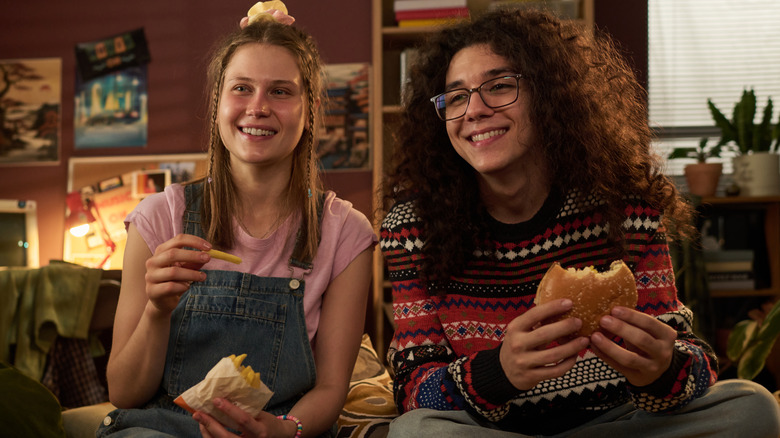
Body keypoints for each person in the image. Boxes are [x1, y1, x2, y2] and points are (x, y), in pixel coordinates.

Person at [379, 7, 780, 438]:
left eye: (499, 86)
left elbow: (691, 362)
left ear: (550, 95)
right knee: (416, 431)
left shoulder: (626, 207)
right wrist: (499, 373)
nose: (474, 110)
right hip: (497, 432)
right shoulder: (410, 229)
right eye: (456, 97)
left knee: (752, 407)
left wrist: (662, 369)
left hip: (622, 422)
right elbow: (413, 388)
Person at [98, 7, 376, 438]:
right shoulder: (158, 217)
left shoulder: (346, 233)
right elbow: (124, 391)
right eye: (242, 88)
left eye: (281, 92)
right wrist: (156, 310)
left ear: (310, 110)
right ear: (217, 103)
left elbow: (331, 388)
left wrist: (284, 431)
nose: (258, 107)